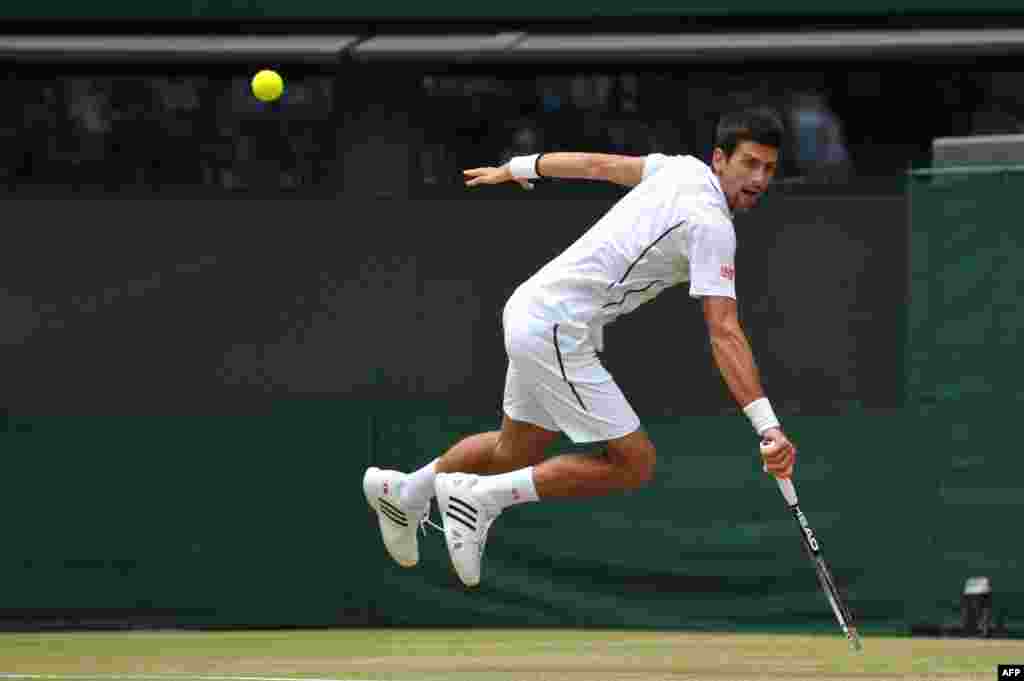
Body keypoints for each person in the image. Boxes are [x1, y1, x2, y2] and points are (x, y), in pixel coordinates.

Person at [363, 107, 797, 587]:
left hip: (534, 309)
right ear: (719, 159)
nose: (759, 178)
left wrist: (521, 167)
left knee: (514, 450)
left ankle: (402, 492)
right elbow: (724, 330)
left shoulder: (681, 169)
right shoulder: (713, 226)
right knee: (635, 462)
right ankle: (478, 498)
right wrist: (768, 427)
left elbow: (598, 166)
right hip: (554, 326)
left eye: (769, 169)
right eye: (750, 164)